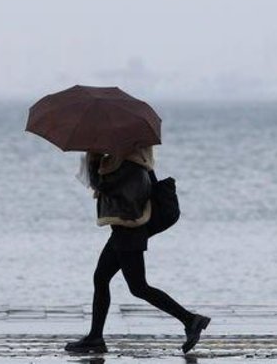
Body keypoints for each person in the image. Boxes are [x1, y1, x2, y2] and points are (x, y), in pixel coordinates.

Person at [65, 146, 211, 355]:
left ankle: (190, 320)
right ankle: (95, 337)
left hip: (130, 230)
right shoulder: (127, 161)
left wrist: (94, 163)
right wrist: (95, 162)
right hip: (124, 230)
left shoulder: (131, 165)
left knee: (138, 287)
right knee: (102, 278)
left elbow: (111, 189)